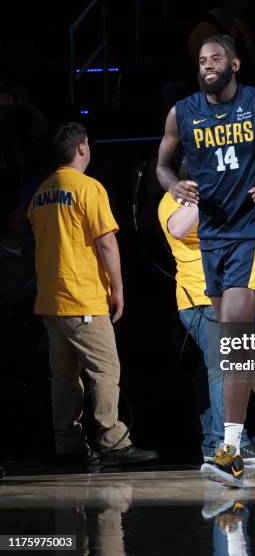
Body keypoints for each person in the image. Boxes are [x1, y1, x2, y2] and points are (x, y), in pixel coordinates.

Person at [156, 35, 255, 487]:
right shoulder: (182, 113)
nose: (207, 65)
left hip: (254, 233)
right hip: (214, 239)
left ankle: (229, 451)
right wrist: (173, 186)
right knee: (239, 348)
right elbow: (162, 165)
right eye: (202, 60)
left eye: (215, 58)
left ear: (235, 64)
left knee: (232, 344)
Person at [27, 122, 158, 466]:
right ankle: (112, 440)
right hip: (81, 296)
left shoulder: (40, 193)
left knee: (65, 376)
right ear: (82, 148)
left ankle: (68, 443)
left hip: (50, 301)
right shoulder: (88, 188)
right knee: (104, 369)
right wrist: (118, 287)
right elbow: (106, 241)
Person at [158, 186, 255, 464]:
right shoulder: (174, 199)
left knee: (215, 369)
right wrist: (207, 192)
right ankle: (232, 444)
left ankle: (214, 442)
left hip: (218, 295)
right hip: (201, 298)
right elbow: (176, 227)